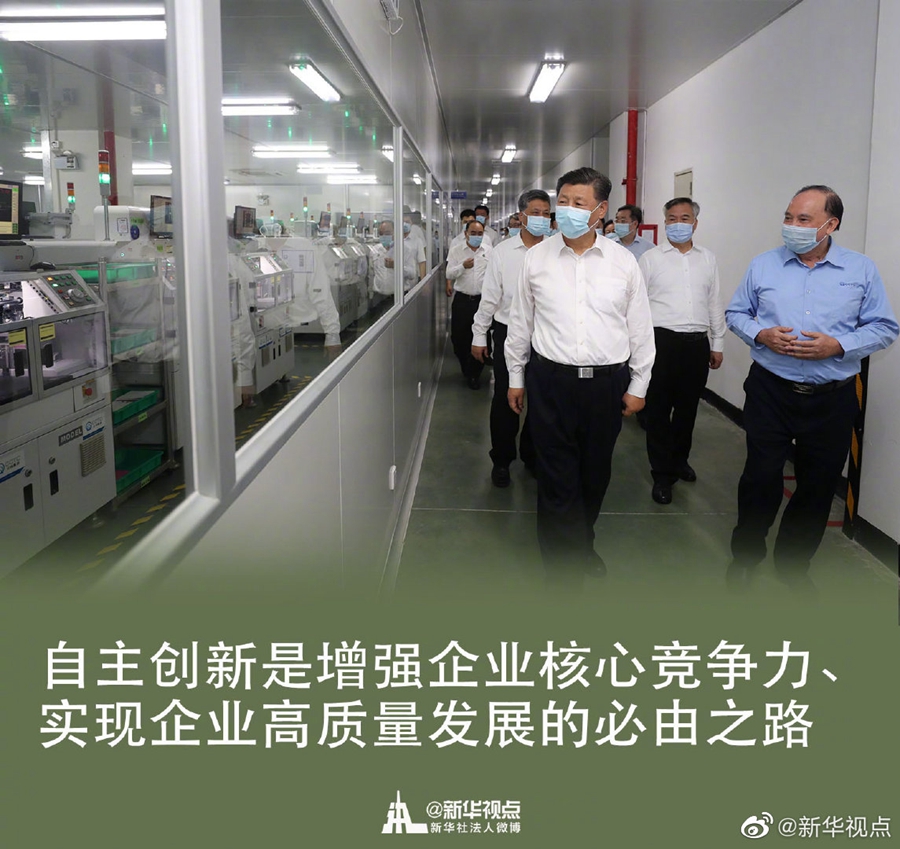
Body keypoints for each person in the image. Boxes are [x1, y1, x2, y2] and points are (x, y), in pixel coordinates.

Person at [725, 184, 898, 588]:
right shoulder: (763, 265)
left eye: (803, 219)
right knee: (760, 477)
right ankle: (746, 556)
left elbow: (884, 327)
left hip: (831, 399)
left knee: (817, 486)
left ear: (830, 224)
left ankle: (793, 566)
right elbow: (736, 313)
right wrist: (761, 334)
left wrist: (839, 345)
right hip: (770, 391)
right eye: (788, 217)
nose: (792, 226)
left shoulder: (861, 270)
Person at [505, 167, 655, 583]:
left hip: (606, 384)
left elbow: (640, 329)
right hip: (550, 381)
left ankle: (582, 543)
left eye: (579, 203)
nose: (568, 209)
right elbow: (520, 322)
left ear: (600, 210)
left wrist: (639, 384)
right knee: (555, 475)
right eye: (563, 202)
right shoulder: (537, 258)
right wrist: (516, 376)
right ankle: (562, 565)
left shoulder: (623, 262)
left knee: (594, 473)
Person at [639, 197, 725, 504]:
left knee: (688, 410)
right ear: (665, 223)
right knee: (658, 411)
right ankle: (662, 474)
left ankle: (679, 461)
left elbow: (714, 302)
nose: (678, 224)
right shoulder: (650, 259)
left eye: (684, 218)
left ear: (695, 223)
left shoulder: (707, 259)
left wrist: (717, 343)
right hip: (661, 343)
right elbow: (636, 305)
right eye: (672, 218)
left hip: (696, 345)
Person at [471, 190, 551, 486]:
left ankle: (532, 455)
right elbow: (490, 297)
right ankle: (502, 460)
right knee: (506, 398)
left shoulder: (556, 250)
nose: (541, 218)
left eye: (546, 213)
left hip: (547, 335)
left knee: (541, 401)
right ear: (521, 215)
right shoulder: (503, 252)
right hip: (507, 332)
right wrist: (479, 334)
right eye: (535, 212)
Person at [446, 219, 492, 388]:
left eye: (480, 233)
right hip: (462, 301)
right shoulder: (457, 250)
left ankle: (474, 374)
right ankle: (466, 368)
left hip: (482, 301)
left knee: (481, 336)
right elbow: (449, 274)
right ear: (466, 234)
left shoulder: (489, 252)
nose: (476, 236)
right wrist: (462, 266)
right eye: (473, 233)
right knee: (459, 338)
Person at [374, 220, 420, 293]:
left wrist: (396, 266)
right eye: (381, 233)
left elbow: (412, 274)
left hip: (398, 296)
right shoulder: (375, 250)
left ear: (395, 232)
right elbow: (372, 273)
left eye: (387, 233)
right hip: (378, 296)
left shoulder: (405, 250)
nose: (384, 236)